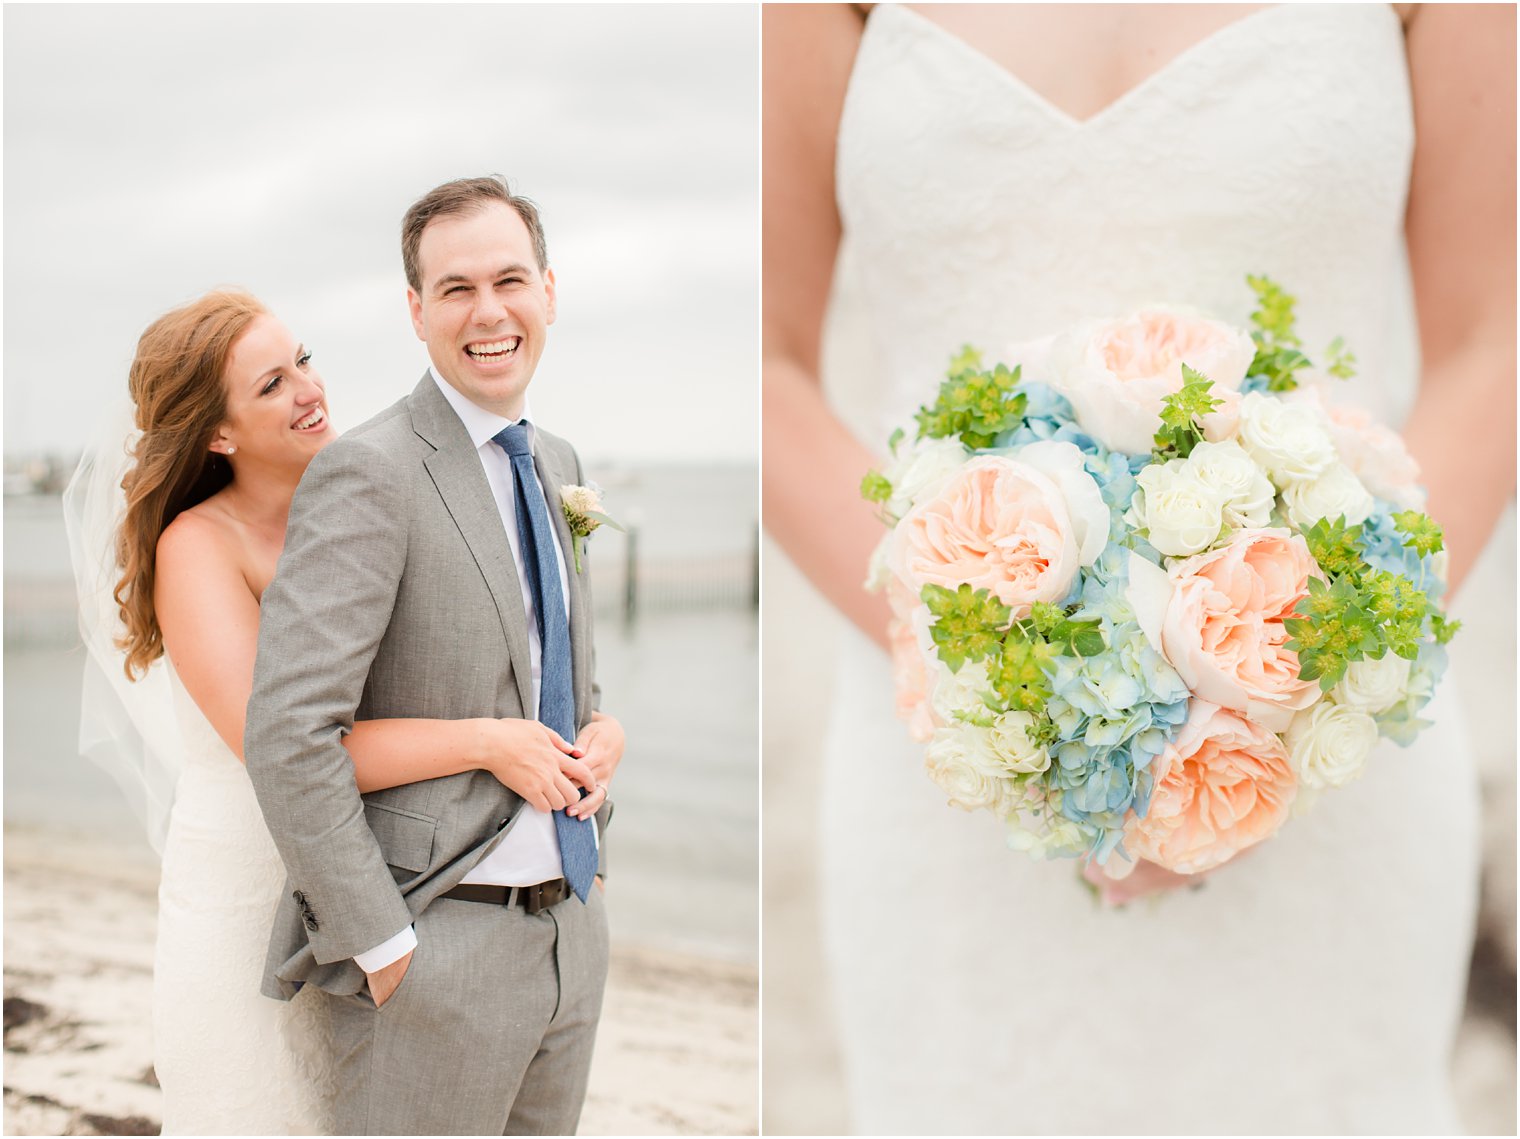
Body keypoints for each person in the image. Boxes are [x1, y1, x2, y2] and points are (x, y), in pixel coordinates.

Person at [763, 3, 1513, 1133]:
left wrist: (1279, 705)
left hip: (1325, 750)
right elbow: (765, 365)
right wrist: (1005, 695)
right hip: (951, 769)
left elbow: (1490, 341)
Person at [70, 288, 617, 1135]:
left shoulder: (362, 498)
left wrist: (582, 732)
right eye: (269, 385)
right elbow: (282, 744)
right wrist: (485, 744)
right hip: (253, 891)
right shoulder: (198, 547)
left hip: (381, 870)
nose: (307, 388)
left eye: (304, 359)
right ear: (217, 432)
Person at [244, 176, 618, 1135]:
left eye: (510, 280)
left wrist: (601, 739)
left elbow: (555, 674)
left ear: (548, 292)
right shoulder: (368, 470)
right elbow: (290, 734)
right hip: (434, 950)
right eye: (455, 289)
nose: (488, 311)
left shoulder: (561, 462)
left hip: (570, 935)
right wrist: (386, 945)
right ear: (416, 311)